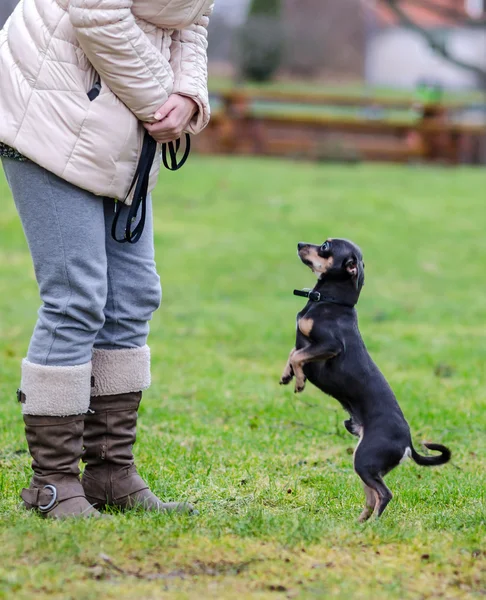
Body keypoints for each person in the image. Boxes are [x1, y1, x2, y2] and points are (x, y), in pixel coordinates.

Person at [0, 0, 213, 518]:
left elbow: (194, 19)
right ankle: (51, 484)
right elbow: (96, 15)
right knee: (76, 296)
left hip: (118, 121)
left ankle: (110, 472)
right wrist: (161, 100)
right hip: (50, 105)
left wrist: (188, 96)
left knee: (132, 295)